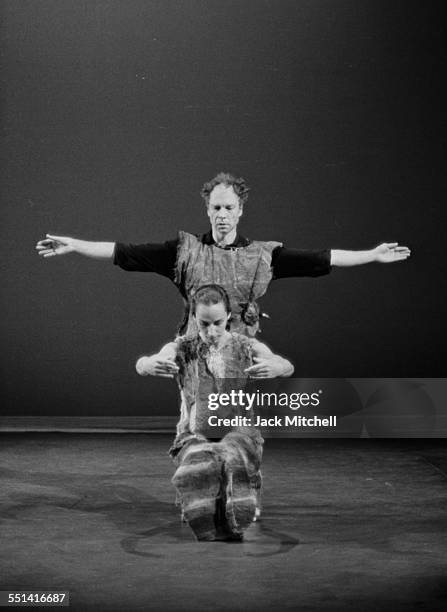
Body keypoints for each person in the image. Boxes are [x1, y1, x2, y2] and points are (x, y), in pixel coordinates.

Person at [35, 172, 411, 338]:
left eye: (229, 208)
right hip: (194, 350)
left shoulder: (262, 256)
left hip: (239, 352)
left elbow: (321, 259)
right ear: (208, 210)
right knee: (196, 433)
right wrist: (74, 245)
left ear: (240, 210)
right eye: (216, 208)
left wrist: (372, 255)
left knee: (233, 437)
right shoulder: (184, 252)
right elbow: (123, 252)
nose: (222, 215)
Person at [136, 284, 294, 541]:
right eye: (203, 324)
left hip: (239, 432)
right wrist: (148, 363)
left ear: (229, 316)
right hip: (196, 435)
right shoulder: (185, 346)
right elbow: (149, 360)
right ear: (194, 320)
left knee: (230, 449)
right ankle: (203, 503)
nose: (211, 331)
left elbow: (284, 364)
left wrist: (277, 367)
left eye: (218, 323)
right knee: (202, 453)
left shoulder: (244, 345)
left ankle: (238, 495)